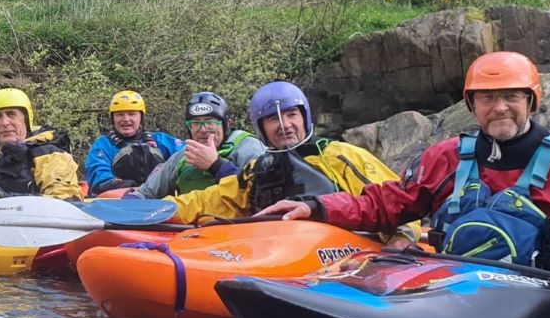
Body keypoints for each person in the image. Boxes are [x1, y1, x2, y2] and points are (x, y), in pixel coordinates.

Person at [263, 52, 550, 273]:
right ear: (472, 106)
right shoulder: (447, 157)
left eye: (511, 97)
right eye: (487, 98)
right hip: (458, 295)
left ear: (531, 102)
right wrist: (316, 207)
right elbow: (385, 204)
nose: (499, 107)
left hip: (547, 306)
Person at [166, 80, 398, 225]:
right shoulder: (257, 171)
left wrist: (401, 238)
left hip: (345, 256)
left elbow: (393, 198)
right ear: (261, 129)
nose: (284, 124)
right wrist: (159, 209)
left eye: (291, 115)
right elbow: (207, 200)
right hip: (281, 252)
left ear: (304, 118)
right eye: (272, 119)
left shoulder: (340, 155)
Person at [135, 92, 266, 199]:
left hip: (237, 227)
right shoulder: (181, 157)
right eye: (195, 123)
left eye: (210, 122)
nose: (203, 130)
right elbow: (146, 193)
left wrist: (216, 166)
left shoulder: (249, 147)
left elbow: (261, 191)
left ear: (227, 124)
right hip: (191, 229)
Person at [0, 88, 82, 201]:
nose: (5, 123)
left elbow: (66, 202)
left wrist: (10, 200)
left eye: (11, 114)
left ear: (26, 119)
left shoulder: (50, 154)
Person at [84, 90, 185, 196]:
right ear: (113, 118)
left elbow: (186, 154)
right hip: (118, 202)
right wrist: (130, 186)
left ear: (141, 117)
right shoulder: (103, 145)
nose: (126, 119)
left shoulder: (160, 140)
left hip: (157, 202)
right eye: (120, 114)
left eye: (132, 114)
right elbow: (99, 179)